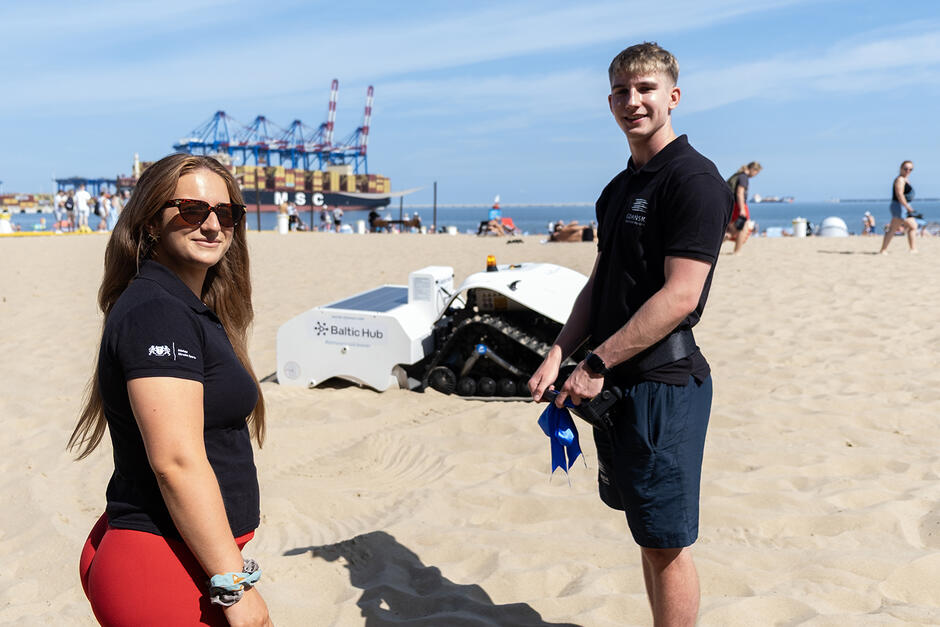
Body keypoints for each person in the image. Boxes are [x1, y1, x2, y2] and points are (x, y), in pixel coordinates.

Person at [528, 42, 731, 626]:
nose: (632, 101)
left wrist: (594, 366)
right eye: (621, 91)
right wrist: (560, 351)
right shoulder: (619, 188)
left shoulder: (693, 180)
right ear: (609, 100)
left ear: (673, 96)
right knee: (647, 533)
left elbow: (682, 295)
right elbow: (601, 282)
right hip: (616, 385)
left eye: (645, 89)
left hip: (663, 384)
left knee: (668, 541)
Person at [68, 154, 273, 626]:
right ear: (151, 221)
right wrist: (233, 584)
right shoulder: (157, 311)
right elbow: (175, 461)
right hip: (162, 558)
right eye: (191, 209)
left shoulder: (184, 306)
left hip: (183, 553)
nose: (212, 225)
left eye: (227, 213)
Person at [879, 160, 919, 254]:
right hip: (899, 206)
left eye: (910, 169)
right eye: (906, 169)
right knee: (893, 228)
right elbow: (899, 194)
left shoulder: (905, 179)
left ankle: (912, 249)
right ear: (901, 168)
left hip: (904, 206)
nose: (908, 171)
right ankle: (883, 250)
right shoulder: (900, 179)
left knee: (913, 226)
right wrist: (906, 206)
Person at [725, 162, 761, 254]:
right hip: (739, 205)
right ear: (753, 169)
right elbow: (739, 193)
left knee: (734, 229)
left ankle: (727, 238)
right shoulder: (744, 178)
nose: (755, 175)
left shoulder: (738, 175)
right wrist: (742, 209)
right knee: (743, 227)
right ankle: (737, 251)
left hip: (732, 204)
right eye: (756, 173)